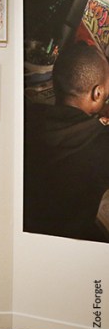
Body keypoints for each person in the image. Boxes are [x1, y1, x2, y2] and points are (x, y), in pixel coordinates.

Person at [24, 41, 109, 242]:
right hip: (71, 243)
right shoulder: (103, 144)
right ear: (97, 94)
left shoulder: (27, 117)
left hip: (25, 234)